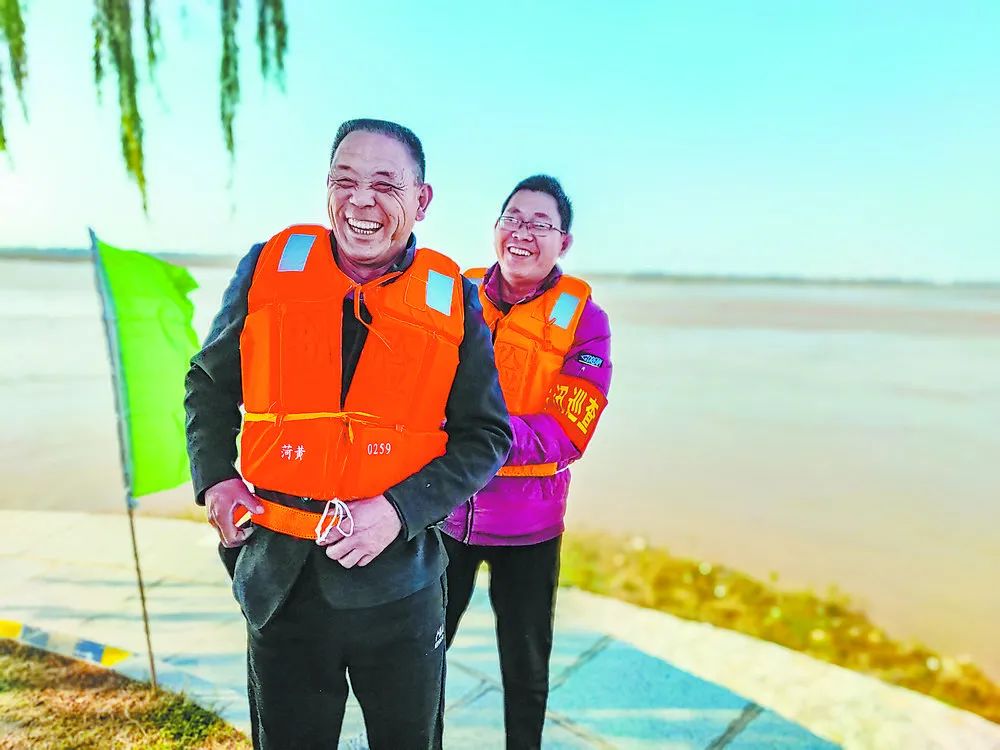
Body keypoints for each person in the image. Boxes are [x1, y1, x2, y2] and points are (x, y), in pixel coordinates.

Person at [184, 118, 512, 750]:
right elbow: (209, 384)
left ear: (421, 200)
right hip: (278, 576)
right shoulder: (267, 266)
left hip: (400, 584)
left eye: (385, 185)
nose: (361, 201)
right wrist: (216, 479)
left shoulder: (453, 297)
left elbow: (486, 435)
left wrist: (399, 510)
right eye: (344, 181)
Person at [441, 175, 612, 749]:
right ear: (495, 228)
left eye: (541, 224)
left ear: (564, 242)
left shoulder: (586, 320)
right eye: (513, 218)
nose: (523, 232)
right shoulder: (453, 294)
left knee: (526, 666)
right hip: (443, 513)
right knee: (421, 653)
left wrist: (474, 435)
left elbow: (568, 430)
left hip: (530, 528)